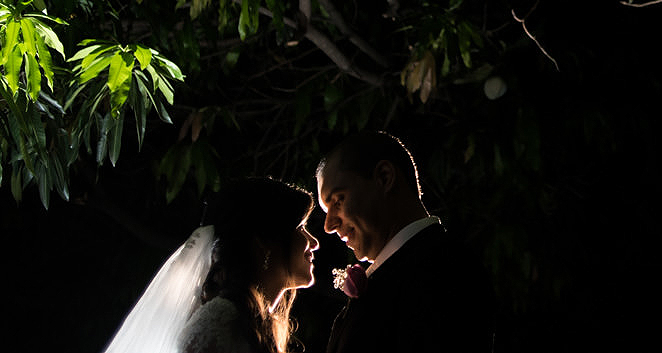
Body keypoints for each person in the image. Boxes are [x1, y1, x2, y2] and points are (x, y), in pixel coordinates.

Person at [317, 131, 493, 353]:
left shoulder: (444, 269)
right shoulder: (402, 270)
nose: (329, 225)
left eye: (338, 200)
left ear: (384, 177)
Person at [100, 177, 319, 353]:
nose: (314, 243)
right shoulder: (221, 320)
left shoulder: (255, 321)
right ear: (263, 243)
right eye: (300, 228)